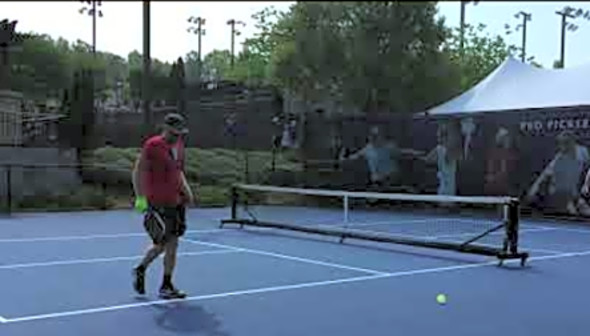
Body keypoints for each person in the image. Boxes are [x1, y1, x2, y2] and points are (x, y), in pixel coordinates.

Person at [131, 113, 195, 299]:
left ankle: (163, 282)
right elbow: (138, 171)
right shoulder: (152, 145)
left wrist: (187, 191)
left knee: (172, 244)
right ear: (165, 128)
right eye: (174, 132)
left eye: (179, 133)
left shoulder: (179, 146)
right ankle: (145, 271)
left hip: (176, 201)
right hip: (157, 201)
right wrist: (140, 198)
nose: (177, 136)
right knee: (164, 243)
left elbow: (178, 172)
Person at [526, 130, 589, 215]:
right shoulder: (559, 157)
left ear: (573, 141)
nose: (562, 146)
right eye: (560, 143)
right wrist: (534, 189)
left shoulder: (583, 152)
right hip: (562, 194)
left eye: (566, 142)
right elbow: (545, 174)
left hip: (577, 192)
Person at [341, 126, 422, 191]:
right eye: (372, 136)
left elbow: (404, 151)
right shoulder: (367, 148)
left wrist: (416, 153)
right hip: (376, 181)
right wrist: (344, 157)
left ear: (381, 136)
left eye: (376, 136)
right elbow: (353, 157)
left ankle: (404, 189)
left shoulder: (389, 146)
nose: (373, 138)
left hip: (390, 178)